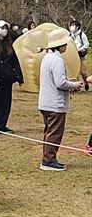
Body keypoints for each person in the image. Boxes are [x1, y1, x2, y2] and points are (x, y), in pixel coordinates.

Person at [37, 29, 84, 171]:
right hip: (54, 104)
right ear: (60, 45)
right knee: (55, 132)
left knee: (49, 131)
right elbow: (60, 83)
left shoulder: (47, 58)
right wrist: (74, 84)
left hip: (46, 102)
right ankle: (49, 160)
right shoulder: (57, 60)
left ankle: (48, 157)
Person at [0, 20, 24, 133]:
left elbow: (15, 61)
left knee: (6, 102)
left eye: (6, 28)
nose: (4, 31)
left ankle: (2, 124)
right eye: (2, 28)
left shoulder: (9, 45)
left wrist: (19, 77)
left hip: (7, 79)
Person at [69, 20, 88, 91]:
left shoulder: (82, 35)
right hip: (73, 55)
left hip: (81, 55)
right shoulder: (70, 35)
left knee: (83, 72)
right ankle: (76, 86)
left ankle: (86, 82)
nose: (71, 27)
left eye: (73, 26)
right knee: (74, 72)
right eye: (71, 25)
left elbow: (86, 45)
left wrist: (79, 49)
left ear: (77, 27)